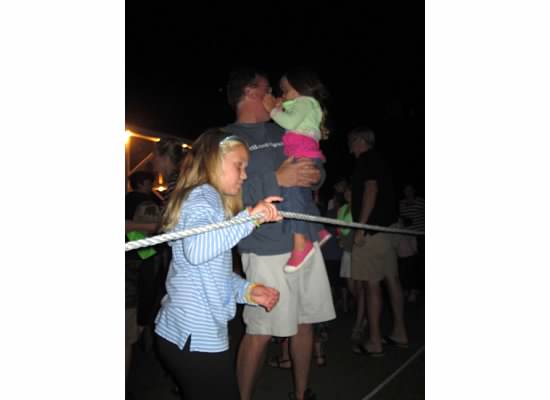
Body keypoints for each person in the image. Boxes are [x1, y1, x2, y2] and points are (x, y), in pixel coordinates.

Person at [224, 67, 336, 400]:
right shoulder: (225, 138)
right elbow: (226, 200)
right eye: (268, 88)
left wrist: (315, 175)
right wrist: (277, 179)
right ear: (250, 92)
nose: (276, 95)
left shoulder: (285, 127)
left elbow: (314, 167)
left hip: (305, 240)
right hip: (264, 246)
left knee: (305, 322)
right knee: (260, 330)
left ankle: (300, 394)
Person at [153, 129, 282, 400]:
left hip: (183, 333)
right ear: (213, 161)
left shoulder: (208, 203)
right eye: (239, 166)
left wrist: (248, 291)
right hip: (195, 337)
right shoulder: (204, 195)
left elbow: (211, 273)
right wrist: (250, 218)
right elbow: (198, 250)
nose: (244, 175)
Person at [262, 67, 331, 273]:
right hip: (306, 155)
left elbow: (290, 121)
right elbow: (292, 114)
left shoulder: (305, 103)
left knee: (291, 195)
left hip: (302, 156)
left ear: (300, 88)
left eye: (285, 90)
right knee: (303, 197)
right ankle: (318, 230)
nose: (282, 95)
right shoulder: (305, 104)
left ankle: (301, 244)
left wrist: (273, 110)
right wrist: (282, 105)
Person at [348, 127, 408, 356]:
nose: (350, 146)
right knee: (392, 279)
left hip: (372, 232)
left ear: (360, 141)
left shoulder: (366, 160)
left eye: (352, 141)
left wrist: (361, 227)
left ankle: (374, 341)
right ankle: (400, 332)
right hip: (388, 230)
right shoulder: (382, 161)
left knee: (371, 284)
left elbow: (371, 189)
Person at [399, 183, 425, 302]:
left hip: (421, 235)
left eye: (410, 189)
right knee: (409, 264)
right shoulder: (402, 203)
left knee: (420, 263)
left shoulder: (421, 201)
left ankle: (417, 288)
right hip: (407, 236)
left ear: (414, 191)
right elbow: (402, 218)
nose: (408, 192)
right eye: (406, 190)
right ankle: (409, 288)